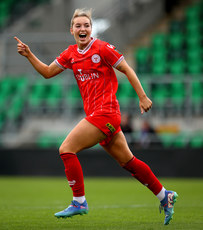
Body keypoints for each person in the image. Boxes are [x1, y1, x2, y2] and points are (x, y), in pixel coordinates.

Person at [14, 8, 178, 225]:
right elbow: (47, 72)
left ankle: (79, 201)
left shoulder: (102, 48)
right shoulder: (70, 53)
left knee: (66, 149)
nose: (83, 29)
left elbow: (127, 69)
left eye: (87, 25)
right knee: (129, 162)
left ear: (91, 29)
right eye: (79, 25)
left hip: (106, 114)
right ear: (72, 29)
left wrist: (143, 97)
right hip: (98, 116)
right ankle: (164, 195)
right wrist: (29, 55)